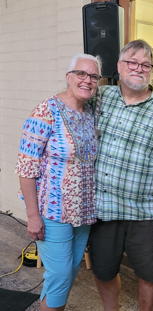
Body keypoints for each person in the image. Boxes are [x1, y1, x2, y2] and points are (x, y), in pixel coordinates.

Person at [89, 39, 153, 311]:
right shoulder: (100, 97)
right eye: (132, 62)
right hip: (104, 208)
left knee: (151, 275)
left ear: (151, 70)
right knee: (103, 271)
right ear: (118, 66)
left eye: (145, 64)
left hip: (147, 212)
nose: (138, 68)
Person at [15, 53, 101, 311]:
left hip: (83, 212)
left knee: (65, 277)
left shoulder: (90, 113)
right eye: (81, 74)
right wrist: (32, 216)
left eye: (94, 76)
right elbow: (25, 167)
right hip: (53, 212)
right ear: (68, 77)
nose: (87, 80)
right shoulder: (46, 110)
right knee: (60, 277)